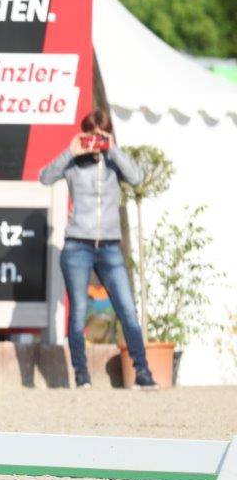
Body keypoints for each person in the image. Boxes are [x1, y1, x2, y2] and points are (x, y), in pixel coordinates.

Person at [39, 109, 158, 389]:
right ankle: (82, 375)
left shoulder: (114, 162)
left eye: (100, 135)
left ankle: (142, 373)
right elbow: (45, 177)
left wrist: (112, 148)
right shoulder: (74, 162)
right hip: (77, 245)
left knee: (127, 309)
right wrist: (71, 151)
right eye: (90, 135)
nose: (95, 141)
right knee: (79, 312)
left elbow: (137, 178)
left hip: (110, 246)